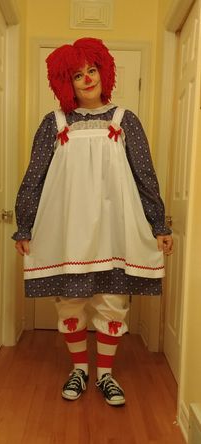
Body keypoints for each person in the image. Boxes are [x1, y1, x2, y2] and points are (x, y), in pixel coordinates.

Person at [13, 37, 173, 406]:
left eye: (92, 69)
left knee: (112, 301)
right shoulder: (53, 123)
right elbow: (34, 177)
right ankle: (79, 369)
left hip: (114, 227)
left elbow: (144, 174)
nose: (87, 79)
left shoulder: (124, 120)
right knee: (69, 301)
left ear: (104, 71)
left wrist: (158, 225)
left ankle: (105, 374)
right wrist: (25, 225)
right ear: (63, 83)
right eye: (76, 74)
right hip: (67, 229)